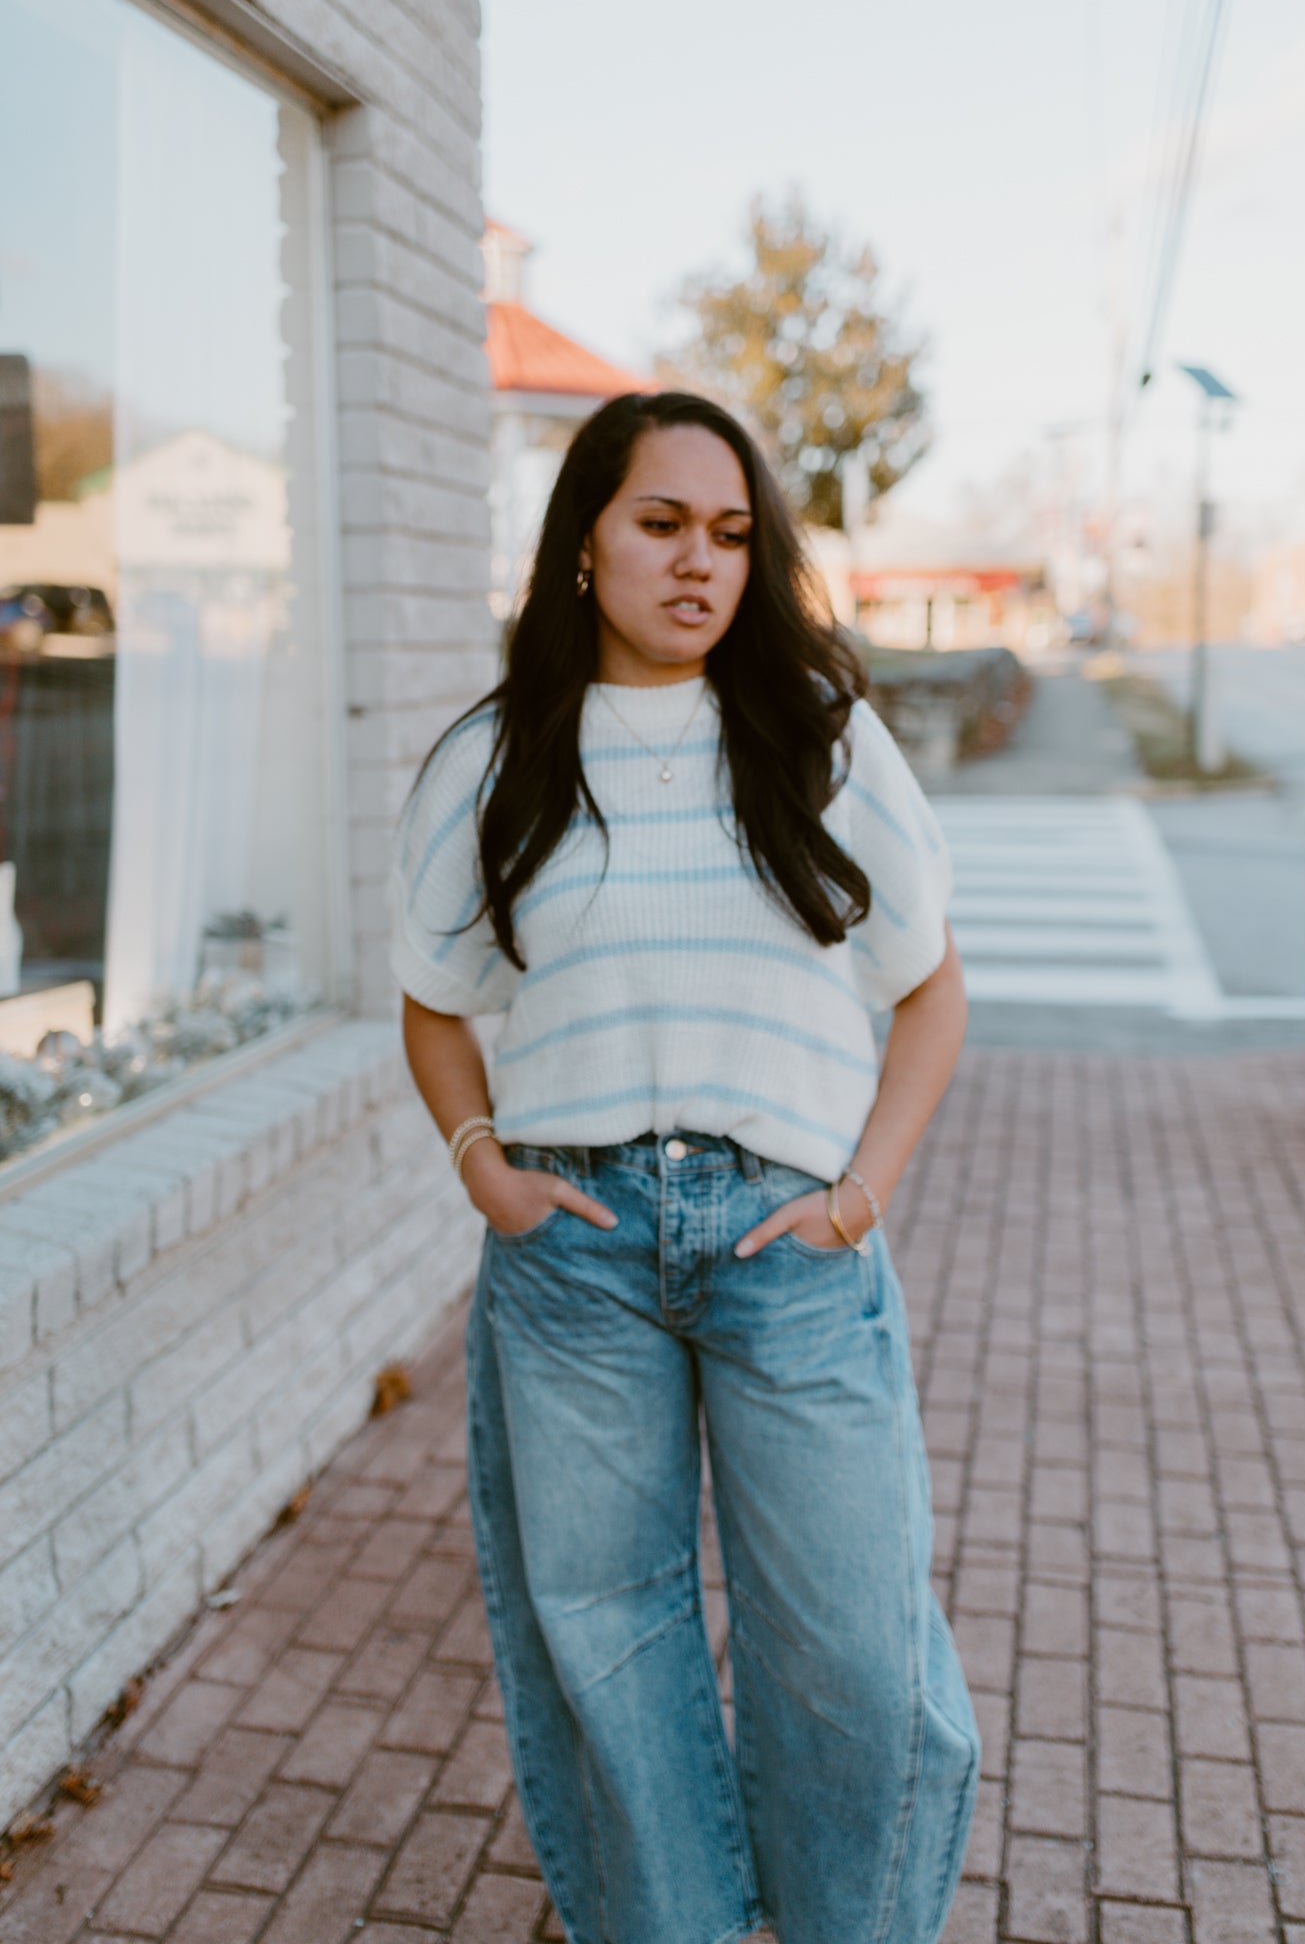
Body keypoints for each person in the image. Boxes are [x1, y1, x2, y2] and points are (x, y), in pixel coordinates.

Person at [391, 391, 980, 1944]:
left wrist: (860, 1197)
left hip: (788, 1242)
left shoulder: (820, 736)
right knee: (609, 1638)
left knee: (855, 1650)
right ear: (584, 540)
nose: (699, 563)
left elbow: (930, 990)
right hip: (572, 1244)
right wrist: (485, 1171)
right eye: (661, 524)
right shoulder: (494, 754)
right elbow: (434, 1004)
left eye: (730, 534)